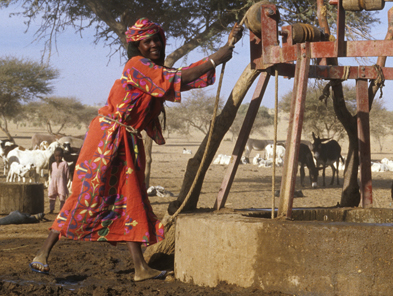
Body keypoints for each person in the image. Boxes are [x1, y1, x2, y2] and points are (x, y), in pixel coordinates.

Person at [29, 18, 241, 281]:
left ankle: (140, 268)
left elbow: (183, 79)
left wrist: (226, 47)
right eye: (147, 41)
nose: (153, 44)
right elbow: (177, 77)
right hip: (106, 138)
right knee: (87, 191)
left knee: (132, 198)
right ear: (137, 46)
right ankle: (42, 252)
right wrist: (215, 59)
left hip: (126, 140)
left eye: (157, 40)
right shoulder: (136, 66)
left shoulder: (154, 72)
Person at [48, 147, 70, 214]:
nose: (58, 157)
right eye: (56, 156)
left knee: (62, 196)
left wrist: (65, 182)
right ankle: (51, 209)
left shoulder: (64, 164)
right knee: (52, 195)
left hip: (61, 182)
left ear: (62, 156)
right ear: (54, 156)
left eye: (60, 156)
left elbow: (67, 174)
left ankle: (61, 210)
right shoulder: (53, 164)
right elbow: (52, 173)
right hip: (53, 183)